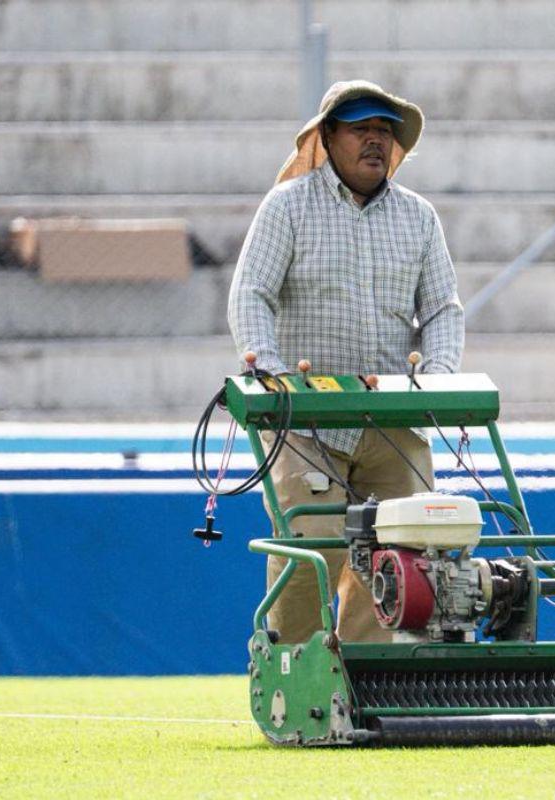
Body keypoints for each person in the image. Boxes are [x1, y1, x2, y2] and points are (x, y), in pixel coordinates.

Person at [227, 80, 464, 644]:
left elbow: (442, 309)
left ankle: (368, 679)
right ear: (327, 137)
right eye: (361, 129)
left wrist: (436, 379)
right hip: (305, 419)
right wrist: (274, 374)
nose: (375, 140)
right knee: (314, 542)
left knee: (404, 552)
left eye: (384, 130)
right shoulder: (287, 206)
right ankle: (294, 668)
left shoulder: (419, 217)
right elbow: (251, 294)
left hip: (392, 416)